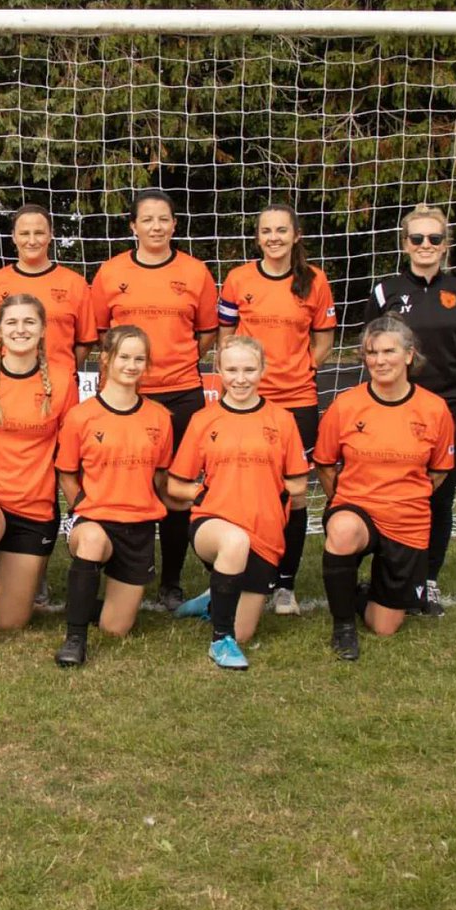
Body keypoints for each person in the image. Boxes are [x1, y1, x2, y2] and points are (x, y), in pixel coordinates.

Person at [90, 189, 218, 611]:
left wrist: (171, 367)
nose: (156, 227)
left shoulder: (196, 272)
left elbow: (204, 334)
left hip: (181, 393)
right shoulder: (109, 273)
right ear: (133, 226)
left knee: (176, 489)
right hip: (128, 396)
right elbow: (100, 334)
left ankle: (172, 580)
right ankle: (119, 571)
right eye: (147, 220)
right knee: (128, 483)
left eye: (164, 219)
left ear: (175, 224)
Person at [313, 315, 455, 661]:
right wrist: (343, 502)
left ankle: (363, 593)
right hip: (357, 508)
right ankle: (343, 627)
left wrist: (404, 495)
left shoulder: (435, 410)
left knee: (385, 626)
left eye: (389, 351)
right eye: (371, 353)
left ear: (409, 355)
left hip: (407, 519)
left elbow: (437, 472)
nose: (380, 360)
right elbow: (325, 464)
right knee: (344, 530)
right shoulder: (346, 406)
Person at [218, 204, 337, 614]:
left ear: (296, 235)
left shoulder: (314, 281)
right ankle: (248, 570)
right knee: (248, 486)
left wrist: (302, 366)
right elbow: (226, 335)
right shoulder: (238, 279)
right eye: (266, 231)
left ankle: (285, 584)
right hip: (248, 401)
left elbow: (324, 338)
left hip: (297, 401)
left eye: (281, 230)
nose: (274, 237)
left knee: (294, 493)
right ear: (257, 237)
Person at [364, 204, 456, 616]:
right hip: (395, 407)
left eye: (434, 238)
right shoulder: (385, 290)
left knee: (439, 495)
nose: (425, 245)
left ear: (445, 245)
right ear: (404, 244)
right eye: (417, 238)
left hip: (449, 408)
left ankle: (427, 580)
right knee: (390, 492)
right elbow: (371, 347)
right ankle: (385, 574)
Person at [167, 337, 309, 670]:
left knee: (244, 631)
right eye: (231, 369)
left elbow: (300, 482)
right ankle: (220, 641)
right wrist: (203, 496)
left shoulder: (283, 420)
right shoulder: (205, 420)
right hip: (214, 527)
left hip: (265, 532)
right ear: (218, 371)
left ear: (263, 370)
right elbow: (175, 484)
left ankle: (213, 601)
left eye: (249, 369)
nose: (240, 378)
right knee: (234, 540)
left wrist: (264, 484)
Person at [0, 293, 78, 660]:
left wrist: (78, 506)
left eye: (29, 322)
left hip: (34, 508)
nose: (20, 329)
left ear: (42, 330)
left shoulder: (61, 381)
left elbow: (68, 452)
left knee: (12, 620)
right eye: (11, 323)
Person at [52, 326, 174, 667]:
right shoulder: (82, 415)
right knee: (90, 540)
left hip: (138, 525)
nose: (131, 365)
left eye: (139, 358)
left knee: (115, 628)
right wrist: (82, 507)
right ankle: (75, 639)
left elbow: (161, 474)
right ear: (105, 359)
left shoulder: (160, 418)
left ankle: (87, 600)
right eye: (124, 356)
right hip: (95, 520)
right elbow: (66, 472)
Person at [0, 203, 96, 371]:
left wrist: (62, 371)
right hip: (4, 388)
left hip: (59, 387)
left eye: (39, 233)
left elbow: (84, 342)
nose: (32, 241)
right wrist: (4, 372)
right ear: (13, 237)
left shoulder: (75, 283)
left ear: (51, 235)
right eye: (24, 234)